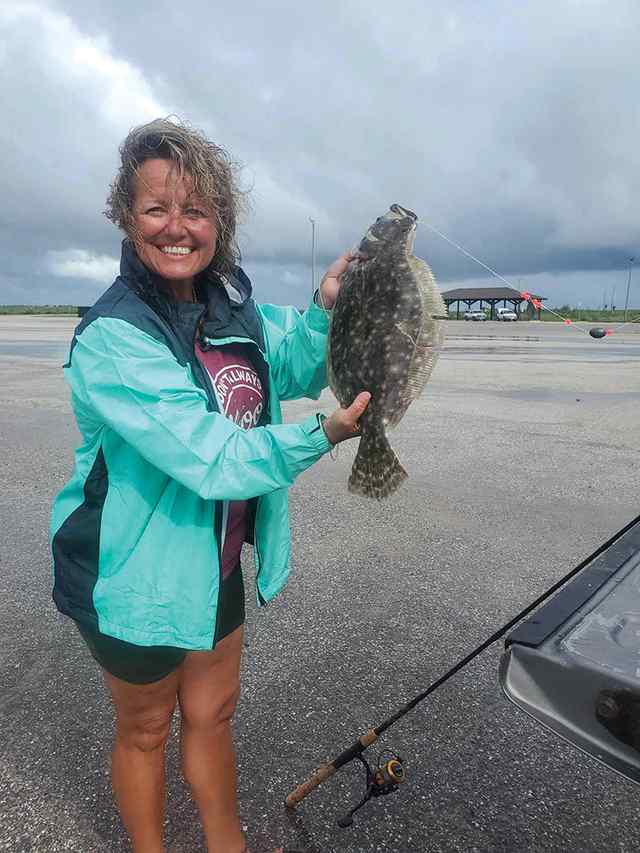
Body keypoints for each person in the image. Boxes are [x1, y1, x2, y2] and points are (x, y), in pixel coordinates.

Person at [50, 117, 369, 853]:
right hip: (132, 574)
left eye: (195, 210)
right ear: (125, 216)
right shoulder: (114, 336)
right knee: (145, 729)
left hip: (213, 563)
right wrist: (320, 435)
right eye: (156, 208)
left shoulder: (232, 306)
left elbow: (292, 368)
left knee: (214, 716)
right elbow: (213, 458)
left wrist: (324, 310)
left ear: (219, 221)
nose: (176, 227)